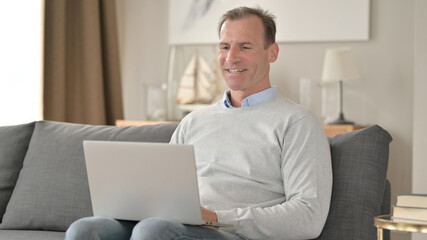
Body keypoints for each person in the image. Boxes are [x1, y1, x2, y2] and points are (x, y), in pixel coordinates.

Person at [65, 6, 332, 240]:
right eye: (225, 47)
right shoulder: (193, 122)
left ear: (271, 53)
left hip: (232, 233)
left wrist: (216, 218)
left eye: (245, 47)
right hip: (172, 225)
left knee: (153, 232)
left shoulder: (297, 122)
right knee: (86, 230)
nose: (231, 58)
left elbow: (309, 216)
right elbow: (161, 191)